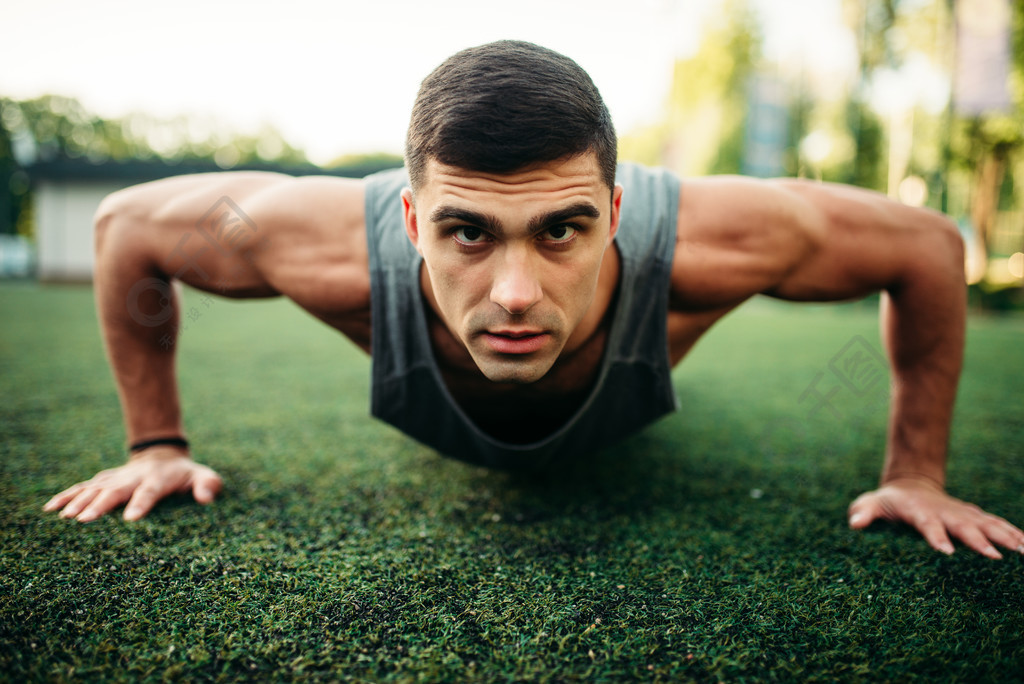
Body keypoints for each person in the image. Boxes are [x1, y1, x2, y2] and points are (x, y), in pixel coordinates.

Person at [44, 40, 1024, 560]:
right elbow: (127, 227)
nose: (515, 296)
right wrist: (156, 446)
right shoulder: (315, 242)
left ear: (616, 210)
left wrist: (918, 474)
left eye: (561, 228)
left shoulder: (714, 238)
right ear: (413, 220)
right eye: (469, 230)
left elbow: (928, 247)